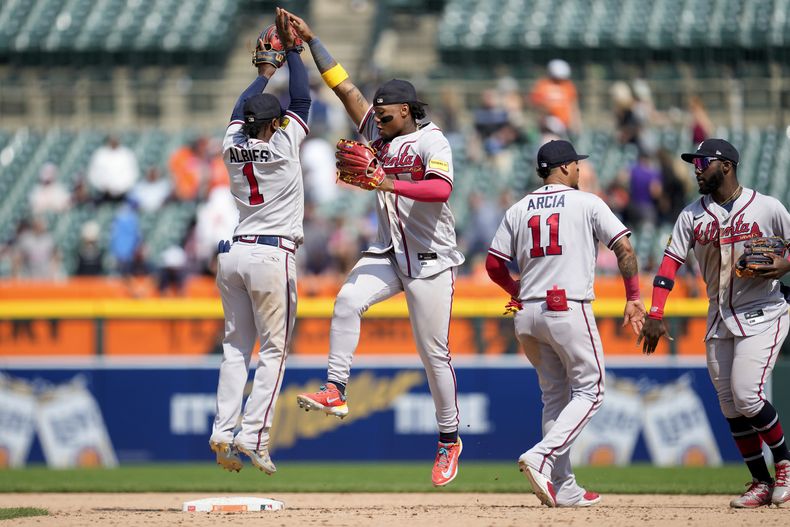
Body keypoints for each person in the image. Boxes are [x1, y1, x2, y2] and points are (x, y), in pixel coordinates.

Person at [284, 9, 465, 487]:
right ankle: (335, 389)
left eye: (385, 115)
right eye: (377, 115)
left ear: (407, 110)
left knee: (434, 356)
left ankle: (449, 438)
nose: (377, 121)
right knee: (346, 301)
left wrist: (387, 181)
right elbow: (346, 88)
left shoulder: (432, 141)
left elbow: (441, 190)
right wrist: (312, 41)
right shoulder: (378, 132)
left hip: (431, 260)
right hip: (390, 252)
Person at [486, 140, 646, 507]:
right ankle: (542, 456)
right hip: (565, 306)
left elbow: (493, 265)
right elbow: (623, 247)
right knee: (592, 389)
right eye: (576, 164)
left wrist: (517, 289)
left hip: (527, 313)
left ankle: (565, 485)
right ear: (564, 167)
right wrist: (634, 296)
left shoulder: (518, 208)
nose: (580, 170)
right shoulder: (587, 201)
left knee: (554, 397)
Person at [638, 139, 790, 508]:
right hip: (719, 314)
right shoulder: (692, 214)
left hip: (765, 308)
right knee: (729, 405)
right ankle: (759, 481)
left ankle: (785, 465)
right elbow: (669, 265)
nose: (696, 167)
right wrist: (655, 313)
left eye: (702, 162)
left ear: (726, 165)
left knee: (747, 394)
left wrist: (785, 264)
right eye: (694, 162)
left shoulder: (768, 207)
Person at [208, 8, 311, 475]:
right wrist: (292, 52)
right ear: (275, 124)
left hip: (233, 254)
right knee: (273, 351)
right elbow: (302, 97)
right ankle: (253, 435)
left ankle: (223, 431)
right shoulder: (285, 145)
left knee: (234, 349)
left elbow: (241, 109)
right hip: (273, 253)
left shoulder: (232, 142)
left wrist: (261, 73)